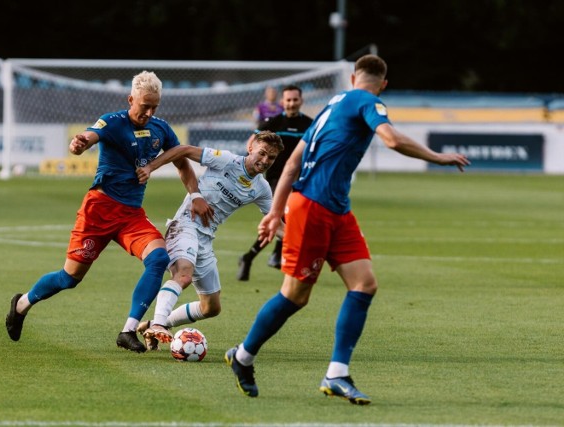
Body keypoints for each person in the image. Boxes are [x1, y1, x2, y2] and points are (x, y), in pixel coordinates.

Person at [225, 54, 470, 403]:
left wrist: (276, 209)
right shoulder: (368, 101)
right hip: (312, 208)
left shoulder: (332, 105)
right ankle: (243, 356)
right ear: (383, 84)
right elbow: (392, 139)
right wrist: (439, 157)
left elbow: (293, 162)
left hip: (336, 209)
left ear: (354, 76)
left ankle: (336, 374)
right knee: (295, 296)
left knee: (364, 284)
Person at [5, 70, 213, 354]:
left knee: (159, 259)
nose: (149, 112)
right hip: (98, 212)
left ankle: (128, 330)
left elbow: (180, 161)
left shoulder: (161, 128)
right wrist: (79, 144)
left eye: (155, 107)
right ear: (131, 99)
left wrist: (196, 194)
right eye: (144, 106)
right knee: (69, 278)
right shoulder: (113, 121)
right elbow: (90, 136)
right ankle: (21, 304)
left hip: (131, 216)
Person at [133, 131, 284, 350]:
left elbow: (276, 225)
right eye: (262, 153)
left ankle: (158, 323)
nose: (265, 161)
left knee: (211, 307)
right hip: (184, 225)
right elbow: (182, 150)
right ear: (250, 148)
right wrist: (150, 168)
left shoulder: (261, 189)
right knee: (183, 275)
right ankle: (157, 324)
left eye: (271, 158)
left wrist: (304, 246)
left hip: (205, 238)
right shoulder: (226, 160)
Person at [237, 84, 313, 281]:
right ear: (283, 102)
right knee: (281, 220)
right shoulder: (274, 122)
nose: (292, 103)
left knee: (286, 221)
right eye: (288, 100)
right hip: (275, 181)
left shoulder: (309, 125)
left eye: (295, 99)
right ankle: (275, 258)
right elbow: (252, 140)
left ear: (301, 101)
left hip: (301, 181)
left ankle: (253, 257)